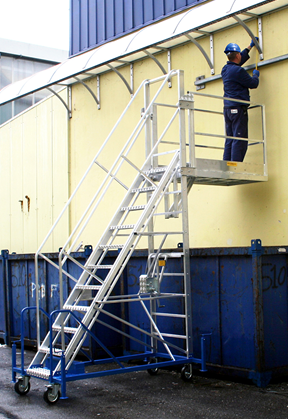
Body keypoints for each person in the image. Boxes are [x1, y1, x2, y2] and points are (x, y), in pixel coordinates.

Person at [222, 39, 260, 162]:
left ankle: (227, 164)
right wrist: (256, 75)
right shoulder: (238, 71)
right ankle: (235, 166)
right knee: (240, 138)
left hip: (228, 109)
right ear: (237, 55)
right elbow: (253, 84)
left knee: (230, 137)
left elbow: (238, 62)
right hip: (238, 109)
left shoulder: (225, 69)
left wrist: (249, 47)